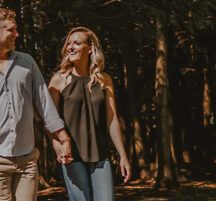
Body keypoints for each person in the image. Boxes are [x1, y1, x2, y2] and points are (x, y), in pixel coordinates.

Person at [0, 7, 74, 201]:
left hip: (27, 158)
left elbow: (44, 102)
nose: (16, 34)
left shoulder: (26, 62)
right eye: (11, 30)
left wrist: (63, 136)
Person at [48, 27, 132, 201]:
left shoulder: (104, 80)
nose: (70, 47)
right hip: (72, 156)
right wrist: (58, 146)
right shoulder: (58, 80)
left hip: (100, 155)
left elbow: (112, 119)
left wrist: (123, 156)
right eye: (68, 43)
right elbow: (49, 119)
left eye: (77, 43)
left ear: (90, 48)